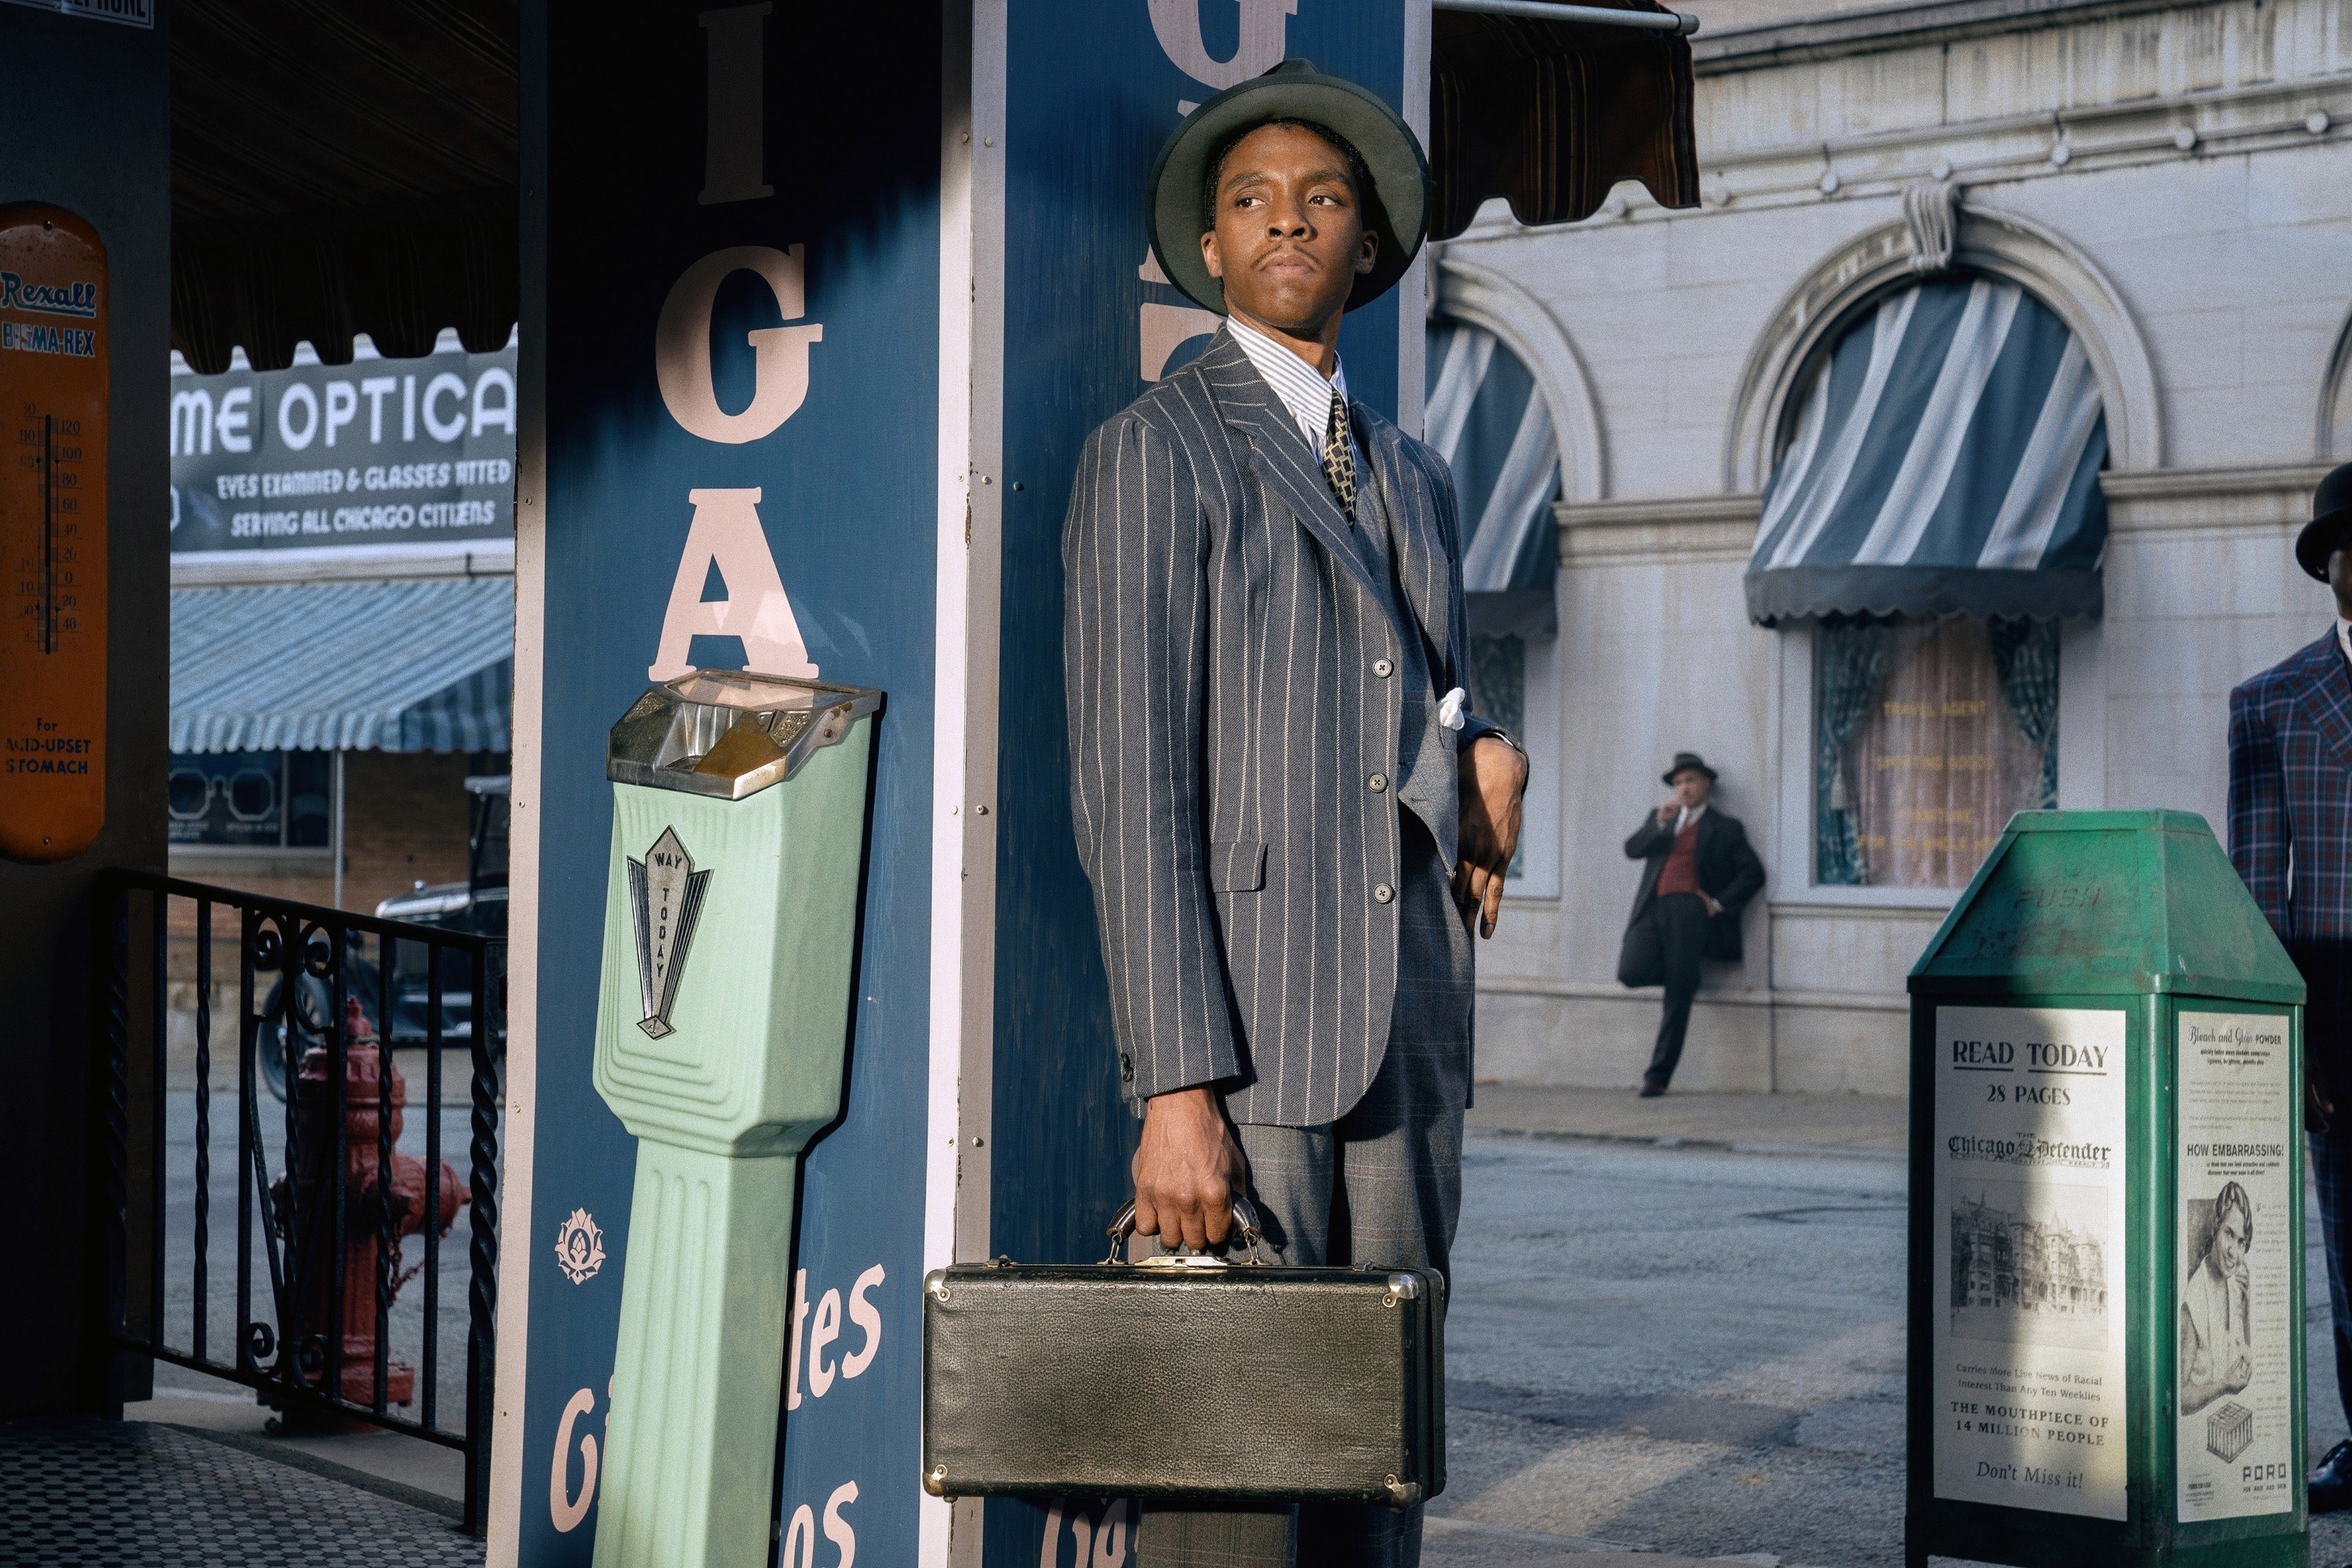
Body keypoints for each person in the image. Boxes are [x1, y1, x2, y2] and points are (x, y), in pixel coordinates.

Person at [1062, 58, 1530, 1568]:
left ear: (1366, 245)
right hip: (1253, 1053)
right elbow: (1133, 794)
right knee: (1236, 1492)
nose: (1286, 222)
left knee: (1378, 1475)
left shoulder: (1422, 473)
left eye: (1321, 200)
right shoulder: (1158, 449)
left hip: (1408, 1034)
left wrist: (1487, 750)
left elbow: (1423, 692)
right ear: (1210, 248)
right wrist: (1176, 1092)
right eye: (1251, 199)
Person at [2227, 458, 2352, 1508]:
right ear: (2331, 569)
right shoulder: (2273, 703)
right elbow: (2259, 890)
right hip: (2340, 1005)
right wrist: (2289, 1040)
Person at [1616, 753, 1764, 1097]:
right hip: (1653, 909)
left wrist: (1718, 903)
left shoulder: (1725, 827)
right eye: (1679, 782)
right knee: (1630, 970)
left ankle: (1657, 1077)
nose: (1684, 787)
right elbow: (1631, 849)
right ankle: (1682, 975)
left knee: (1676, 998)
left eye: (1691, 781)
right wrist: (1658, 823)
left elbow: (1753, 873)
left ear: (1706, 785)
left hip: (1690, 911)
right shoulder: (1664, 819)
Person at [2179, 1181, 2255, 1417]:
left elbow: (2245, 1350)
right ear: (2215, 1229)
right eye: (2228, 1234)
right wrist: (2224, 1385)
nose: (2234, 1252)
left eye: (2241, 1242)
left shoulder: (2236, 1281)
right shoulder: (2194, 1299)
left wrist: (2248, 1305)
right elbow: (2179, 1397)